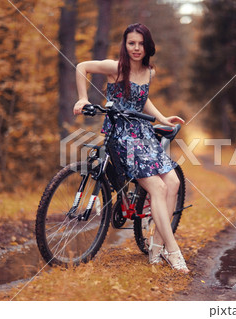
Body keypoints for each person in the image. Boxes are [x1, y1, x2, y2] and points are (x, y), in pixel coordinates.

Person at [73, 23, 189, 273]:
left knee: (174, 183)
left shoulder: (149, 71)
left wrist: (162, 118)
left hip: (144, 134)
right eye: (131, 43)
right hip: (121, 135)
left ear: (148, 46)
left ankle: (156, 249)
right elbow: (82, 67)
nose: (136, 48)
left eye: (141, 43)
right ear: (125, 45)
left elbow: (142, 98)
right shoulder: (115, 68)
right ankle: (173, 251)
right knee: (157, 187)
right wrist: (83, 98)